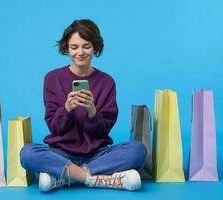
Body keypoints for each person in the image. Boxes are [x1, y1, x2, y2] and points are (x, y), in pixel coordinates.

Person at [20, 19, 147, 192]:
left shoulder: (107, 82)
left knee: (138, 150)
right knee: (27, 153)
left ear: (95, 47)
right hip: (61, 153)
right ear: (66, 48)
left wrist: (92, 111)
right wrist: (67, 109)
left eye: (86, 46)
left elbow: (102, 132)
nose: (80, 52)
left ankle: (64, 178)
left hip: (97, 155)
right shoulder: (52, 78)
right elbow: (55, 128)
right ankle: (97, 179)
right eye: (74, 47)